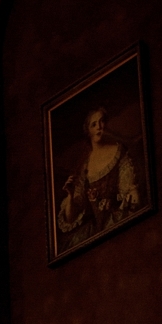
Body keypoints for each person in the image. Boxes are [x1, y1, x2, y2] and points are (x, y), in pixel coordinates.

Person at [56, 107, 141, 252]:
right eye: (94, 124)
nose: (99, 127)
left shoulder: (118, 151)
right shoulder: (85, 167)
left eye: (102, 122)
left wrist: (131, 195)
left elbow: (130, 193)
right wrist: (70, 196)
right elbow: (72, 216)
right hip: (95, 229)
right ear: (88, 131)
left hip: (117, 219)